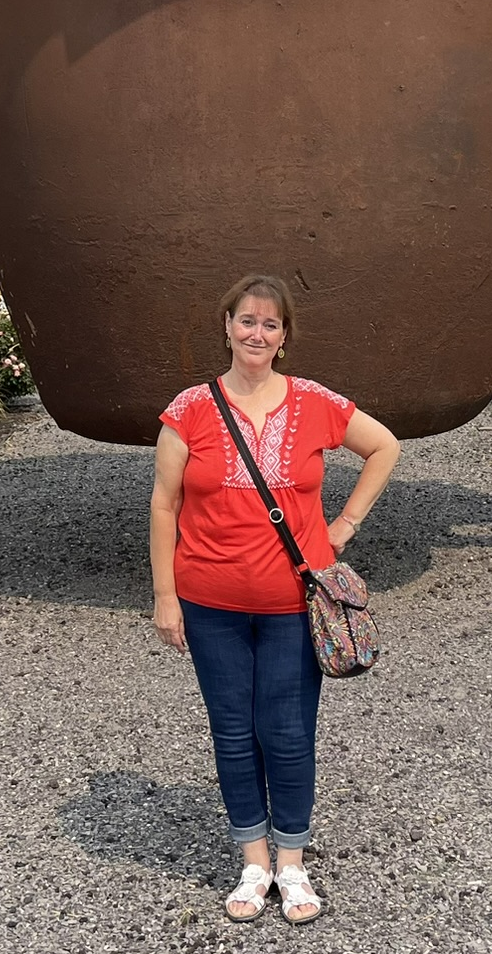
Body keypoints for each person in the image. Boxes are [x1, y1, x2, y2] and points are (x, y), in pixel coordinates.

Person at [151, 273, 401, 925]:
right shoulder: (190, 409)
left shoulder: (315, 401)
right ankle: (253, 860)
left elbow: (384, 446)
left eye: (269, 323)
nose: (256, 332)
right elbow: (164, 501)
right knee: (234, 733)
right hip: (210, 603)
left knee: (286, 733)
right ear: (227, 324)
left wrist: (342, 526)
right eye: (246, 320)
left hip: (296, 603)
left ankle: (291, 863)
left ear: (284, 335)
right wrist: (164, 595)